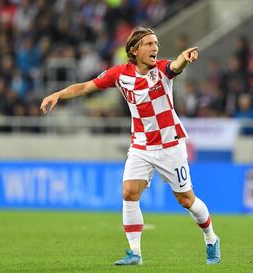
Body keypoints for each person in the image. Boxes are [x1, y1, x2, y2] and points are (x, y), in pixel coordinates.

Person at [40, 26, 220, 265]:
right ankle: (135, 252)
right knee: (129, 192)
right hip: (141, 145)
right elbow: (85, 87)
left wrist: (184, 59)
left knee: (186, 200)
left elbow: (175, 66)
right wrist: (58, 95)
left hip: (170, 145)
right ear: (134, 50)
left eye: (156, 43)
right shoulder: (120, 74)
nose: (155, 47)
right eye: (149, 44)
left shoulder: (162, 71)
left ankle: (211, 238)